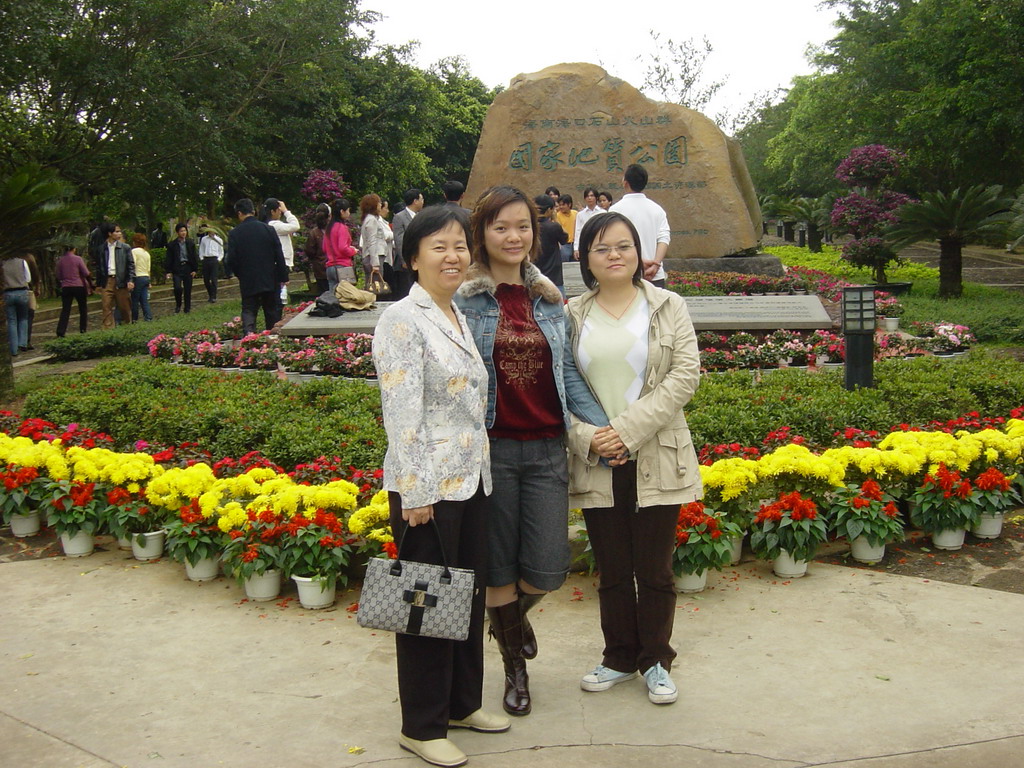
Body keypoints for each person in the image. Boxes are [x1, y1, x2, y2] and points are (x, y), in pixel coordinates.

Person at [455, 185, 608, 718]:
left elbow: (567, 372)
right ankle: (515, 669)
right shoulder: (463, 300)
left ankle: (510, 628)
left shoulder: (549, 301)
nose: (514, 236)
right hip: (491, 452)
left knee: (547, 569)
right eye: (500, 227)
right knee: (498, 568)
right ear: (482, 234)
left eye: (523, 226)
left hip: (546, 449)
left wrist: (604, 428)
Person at [372, 206, 510, 768]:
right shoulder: (401, 320)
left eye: (459, 245)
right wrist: (417, 492)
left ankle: (461, 704)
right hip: (425, 488)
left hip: (471, 480)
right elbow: (401, 413)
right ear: (412, 259)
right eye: (438, 247)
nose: (453, 256)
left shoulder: (453, 314)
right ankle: (421, 725)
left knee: (468, 595)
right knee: (425, 604)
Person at [563, 211, 702, 706]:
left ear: (639, 252)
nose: (614, 255)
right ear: (585, 258)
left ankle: (657, 660)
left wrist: (625, 431)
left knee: (656, 568)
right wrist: (589, 437)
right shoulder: (570, 315)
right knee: (614, 569)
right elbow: (558, 390)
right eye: (601, 248)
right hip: (598, 459)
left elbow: (684, 376)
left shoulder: (668, 306)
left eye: (623, 245)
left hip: (656, 454)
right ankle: (620, 656)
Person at [226, 198, 289, 335]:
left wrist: (240, 273)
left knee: (249, 310)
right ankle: (273, 340)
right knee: (272, 311)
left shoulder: (235, 233)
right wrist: (283, 276)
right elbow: (279, 255)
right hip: (269, 278)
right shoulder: (268, 229)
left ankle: (249, 340)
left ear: (239, 213)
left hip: (248, 279)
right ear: (253, 211)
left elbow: (231, 260)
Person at [610, 164, 671, 288]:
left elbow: (613, 241)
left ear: (625, 182)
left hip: (627, 274)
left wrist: (638, 264)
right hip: (654, 275)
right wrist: (655, 265)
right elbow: (664, 238)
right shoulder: (657, 209)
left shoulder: (616, 210)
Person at [95, 222, 135, 329]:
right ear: (109, 233)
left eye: (119, 231)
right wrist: (98, 284)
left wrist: (130, 280)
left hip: (121, 280)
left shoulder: (125, 247)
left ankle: (127, 328)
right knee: (106, 306)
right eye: (117, 231)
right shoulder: (101, 249)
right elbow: (99, 267)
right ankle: (108, 330)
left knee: (124, 307)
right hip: (107, 280)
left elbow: (130, 265)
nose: (119, 234)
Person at [391, 188, 424, 301]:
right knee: (406, 289)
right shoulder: (399, 217)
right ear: (415, 201)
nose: (422, 201)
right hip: (406, 261)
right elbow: (399, 239)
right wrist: (404, 259)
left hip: (420, 258)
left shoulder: (420, 216)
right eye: (421, 199)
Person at [533, 194, 567, 297]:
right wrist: (555, 219)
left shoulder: (529, 227)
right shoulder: (553, 227)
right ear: (549, 210)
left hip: (535, 275)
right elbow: (564, 239)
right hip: (554, 276)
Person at [55, 246, 93, 337]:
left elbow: (58, 275)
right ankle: (83, 329)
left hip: (66, 287)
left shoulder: (60, 260)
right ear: (74, 249)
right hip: (78, 286)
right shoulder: (78, 259)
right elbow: (86, 273)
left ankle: (61, 330)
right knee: (83, 308)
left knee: (65, 309)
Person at [322, 198, 358, 293]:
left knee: (333, 297)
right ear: (342, 211)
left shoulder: (329, 228)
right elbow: (342, 247)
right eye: (348, 210)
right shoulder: (342, 228)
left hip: (330, 267)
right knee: (346, 296)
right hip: (343, 266)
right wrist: (353, 251)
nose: (349, 213)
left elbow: (324, 248)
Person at [359, 194, 393, 290]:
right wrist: (375, 263)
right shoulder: (372, 220)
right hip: (374, 256)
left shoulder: (369, 219)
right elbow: (372, 241)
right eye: (378, 203)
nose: (380, 205)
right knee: (376, 287)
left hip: (373, 256)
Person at [164, 223, 199, 313]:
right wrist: (168, 271)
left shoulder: (190, 243)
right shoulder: (172, 245)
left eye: (184, 231)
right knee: (177, 288)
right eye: (181, 231)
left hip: (188, 267)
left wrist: (195, 269)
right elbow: (169, 258)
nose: (183, 233)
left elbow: (194, 256)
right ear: (177, 232)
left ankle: (187, 308)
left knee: (188, 289)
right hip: (177, 268)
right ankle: (178, 304)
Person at [3, 253, 32, 356]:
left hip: (7, 293)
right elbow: (28, 279)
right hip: (22, 292)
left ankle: (13, 349)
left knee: (11, 321)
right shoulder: (22, 262)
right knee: (23, 318)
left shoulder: (2, 263)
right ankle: (23, 343)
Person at [304, 206, 330, 295]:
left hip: (319, 267)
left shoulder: (313, 233)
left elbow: (309, 250)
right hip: (333, 266)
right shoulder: (333, 230)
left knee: (323, 293)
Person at [573, 187, 605, 259]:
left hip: (600, 242)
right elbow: (578, 231)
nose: (589, 198)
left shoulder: (603, 213)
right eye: (587, 196)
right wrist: (576, 248)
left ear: (596, 198)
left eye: (592, 196)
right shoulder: (580, 214)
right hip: (585, 242)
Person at [130, 233, 153, 321]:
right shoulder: (146, 253)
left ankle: (134, 319)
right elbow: (148, 268)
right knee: (144, 300)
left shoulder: (134, 251)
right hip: (145, 277)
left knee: (135, 299)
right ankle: (148, 317)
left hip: (138, 277)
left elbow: (133, 264)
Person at [198, 226, 225, 302]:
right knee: (206, 279)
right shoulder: (204, 239)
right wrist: (202, 258)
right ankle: (210, 293)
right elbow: (201, 249)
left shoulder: (219, 240)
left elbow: (221, 251)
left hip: (214, 259)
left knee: (214, 279)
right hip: (206, 259)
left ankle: (213, 296)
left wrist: (218, 259)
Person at [553, 194, 577, 262]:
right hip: (564, 244)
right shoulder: (557, 216)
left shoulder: (576, 213)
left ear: (569, 204)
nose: (561, 207)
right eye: (559, 205)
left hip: (575, 243)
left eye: (563, 205)